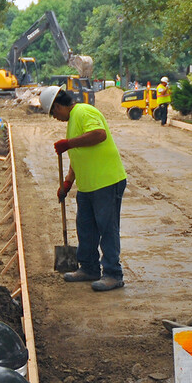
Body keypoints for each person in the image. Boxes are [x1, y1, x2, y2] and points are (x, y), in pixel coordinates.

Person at [39, 85, 128, 292]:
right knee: (86, 227)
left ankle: (113, 274)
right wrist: (68, 182)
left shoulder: (84, 111)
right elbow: (78, 154)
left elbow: (99, 134)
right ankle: (89, 267)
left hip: (106, 181)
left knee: (107, 228)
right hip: (88, 185)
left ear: (59, 105)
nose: (55, 117)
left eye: (53, 113)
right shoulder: (73, 121)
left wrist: (69, 143)